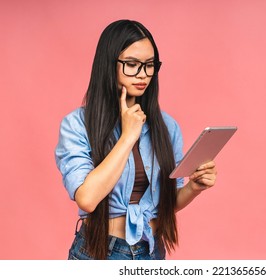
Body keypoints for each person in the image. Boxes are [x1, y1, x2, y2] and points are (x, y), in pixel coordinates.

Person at [54, 19, 217, 260]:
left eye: (149, 65)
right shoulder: (76, 125)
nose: (143, 75)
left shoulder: (166, 126)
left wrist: (195, 187)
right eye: (131, 64)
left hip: (150, 252)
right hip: (100, 253)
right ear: (109, 64)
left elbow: (165, 206)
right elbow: (87, 199)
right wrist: (128, 136)